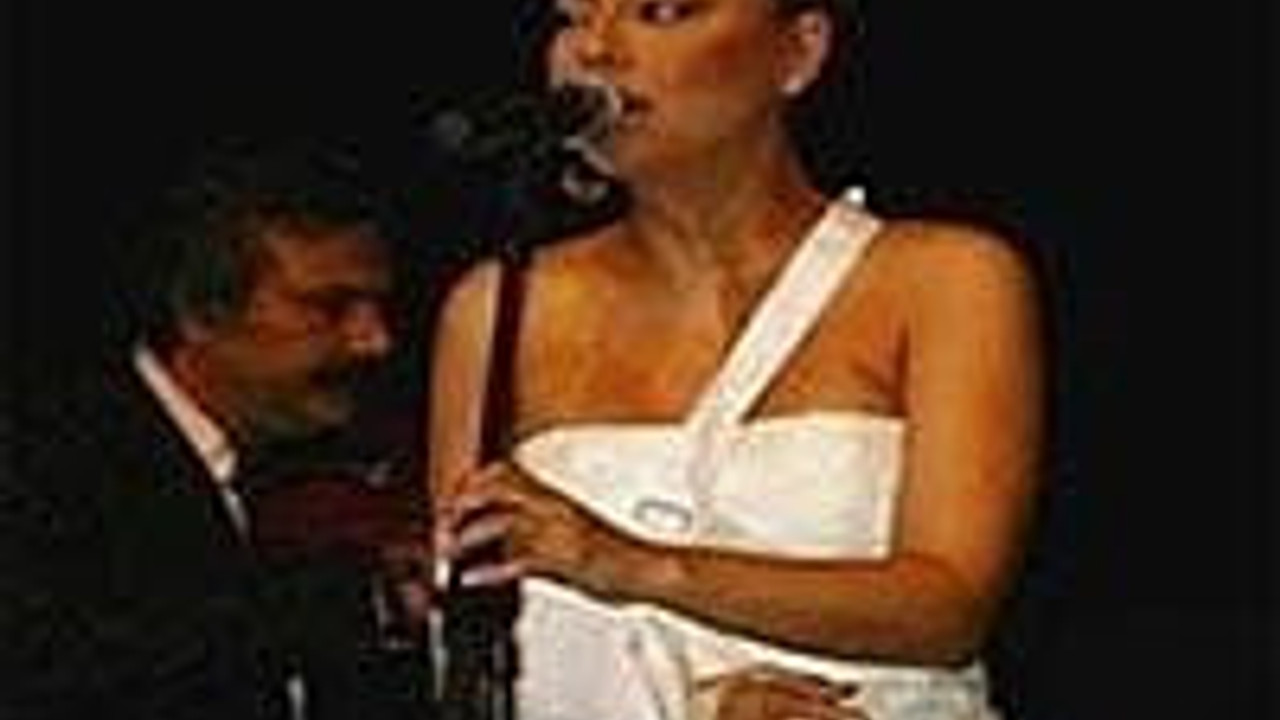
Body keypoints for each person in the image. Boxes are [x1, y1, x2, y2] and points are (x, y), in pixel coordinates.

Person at [428, 0, 1045, 718]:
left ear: (800, 51)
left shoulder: (943, 279)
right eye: (573, 17)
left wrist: (632, 564)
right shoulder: (500, 304)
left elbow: (949, 608)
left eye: (659, 11)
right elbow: (463, 642)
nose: (594, 49)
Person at [1, 139, 414, 720]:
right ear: (198, 312)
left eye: (376, 306)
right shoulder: (49, 468)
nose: (375, 341)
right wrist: (355, 601)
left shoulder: (282, 464)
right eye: (330, 306)